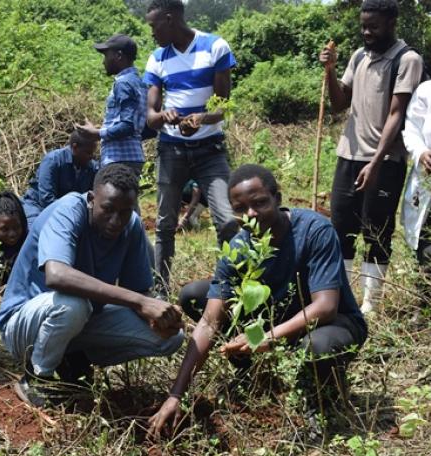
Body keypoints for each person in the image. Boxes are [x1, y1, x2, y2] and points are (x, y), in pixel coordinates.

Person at [149, 165, 367, 437]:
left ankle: (322, 402)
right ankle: (248, 373)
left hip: (331, 324)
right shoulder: (239, 248)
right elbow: (208, 323)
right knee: (194, 296)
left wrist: (267, 337)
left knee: (317, 346)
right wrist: (176, 394)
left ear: (277, 198)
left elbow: (325, 307)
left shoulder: (314, 230)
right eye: (240, 209)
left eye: (260, 203)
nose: (251, 214)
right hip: (275, 321)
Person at [0, 163, 185, 407]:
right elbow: (57, 276)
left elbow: (139, 292)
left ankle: (73, 358)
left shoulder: (132, 226)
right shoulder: (68, 210)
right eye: (108, 209)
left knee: (171, 337)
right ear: (92, 199)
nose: (116, 220)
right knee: (73, 304)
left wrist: (161, 312)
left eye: (125, 212)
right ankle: (36, 378)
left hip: (79, 320)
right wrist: (140, 301)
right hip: (23, 326)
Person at [319, 0, 424, 314]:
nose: (367, 32)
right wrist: (330, 70)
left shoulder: (407, 59)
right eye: (363, 26)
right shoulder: (358, 56)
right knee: (340, 228)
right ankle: (343, 296)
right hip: (348, 155)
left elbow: (397, 113)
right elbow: (339, 103)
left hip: (384, 161)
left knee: (376, 231)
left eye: (374, 26)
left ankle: (370, 304)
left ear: (392, 22)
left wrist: (376, 163)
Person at [143, 0, 237, 294]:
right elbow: (151, 117)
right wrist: (165, 116)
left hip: (210, 148)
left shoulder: (215, 47)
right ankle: (161, 288)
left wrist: (201, 118)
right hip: (172, 150)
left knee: (227, 220)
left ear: (170, 20)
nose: (151, 32)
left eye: (153, 25)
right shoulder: (157, 58)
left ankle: (228, 285)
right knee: (165, 223)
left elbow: (224, 107)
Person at [77, 34, 147, 175]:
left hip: (119, 158)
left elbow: (128, 125)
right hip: (132, 156)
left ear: (119, 56)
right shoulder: (139, 82)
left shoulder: (123, 83)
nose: (104, 62)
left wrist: (97, 134)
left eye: (106, 56)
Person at [21, 130, 99, 226]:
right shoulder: (53, 160)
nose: (91, 157)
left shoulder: (90, 167)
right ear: (75, 147)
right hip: (37, 205)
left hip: (67, 210)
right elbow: (46, 199)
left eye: (92, 153)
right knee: (36, 229)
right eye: (88, 153)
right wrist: (71, 212)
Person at [401, 80, 431, 313]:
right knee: (427, 246)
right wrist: (421, 152)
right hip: (427, 181)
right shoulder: (426, 90)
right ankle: (424, 305)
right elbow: (411, 127)